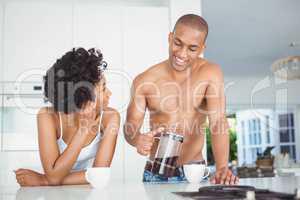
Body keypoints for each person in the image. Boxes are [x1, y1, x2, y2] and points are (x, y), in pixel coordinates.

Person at [124, 14, 239, 184]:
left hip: (195, 170)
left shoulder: (210, 73)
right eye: (178, 43)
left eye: (192, 48)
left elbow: (218, 122)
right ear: (170, 38)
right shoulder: (144, 81)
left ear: (201, 48)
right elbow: (130, 127)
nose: (182, 54)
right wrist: (137, 139)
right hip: (156, 173)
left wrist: (222, 167)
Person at [15, 48, 120, 186]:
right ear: (84, 97)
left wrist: (44, 180)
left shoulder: (110, 118)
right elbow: (54, 174)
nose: (110, 93)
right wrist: (83, 130)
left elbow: (100, 176)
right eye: (104, 88)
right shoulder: (47, 117)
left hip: (85, 192)